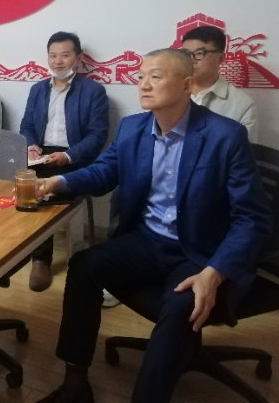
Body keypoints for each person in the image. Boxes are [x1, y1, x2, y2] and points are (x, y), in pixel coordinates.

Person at [35, 48, 271, 403]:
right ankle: (75, 383)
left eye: (156, 77)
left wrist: (215, 273)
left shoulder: (225, 135)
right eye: (141, 76)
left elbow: (252, 218)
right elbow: (105, 170)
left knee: (180, 305)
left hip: (200, 251)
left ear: (187, 85)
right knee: (84, 266)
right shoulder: (133, 128)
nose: (143, 85)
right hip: (147, 240)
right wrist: (59, 182)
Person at [20, 32, 109, 292]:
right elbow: (26, 124)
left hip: (75, 156)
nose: (58, 61)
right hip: (41, 154)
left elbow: (97, 135)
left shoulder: (94, 91)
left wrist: (68, 156)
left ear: (78, 58)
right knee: (22, 184)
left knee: (47, 189)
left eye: (65, 55)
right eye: (53, 55)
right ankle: (30, 255)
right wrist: (31, 145)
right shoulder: (38, 89)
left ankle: (52, 259)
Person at [180, 25, 258, 141]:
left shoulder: (243, 105)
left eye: (200, 53)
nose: (191, 60)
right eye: (186, 53)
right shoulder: (170, 91)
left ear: (221, 58)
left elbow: (244, 150)